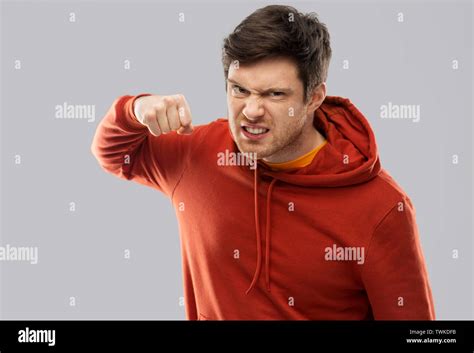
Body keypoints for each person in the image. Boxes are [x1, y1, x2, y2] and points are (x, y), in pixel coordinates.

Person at [91, 4, 435, 320]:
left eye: (274, 94)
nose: (251, 111)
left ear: (314, 96)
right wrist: (135, 108)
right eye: (239, 90)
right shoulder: (197, 153)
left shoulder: (383, 209)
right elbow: (112, 153)